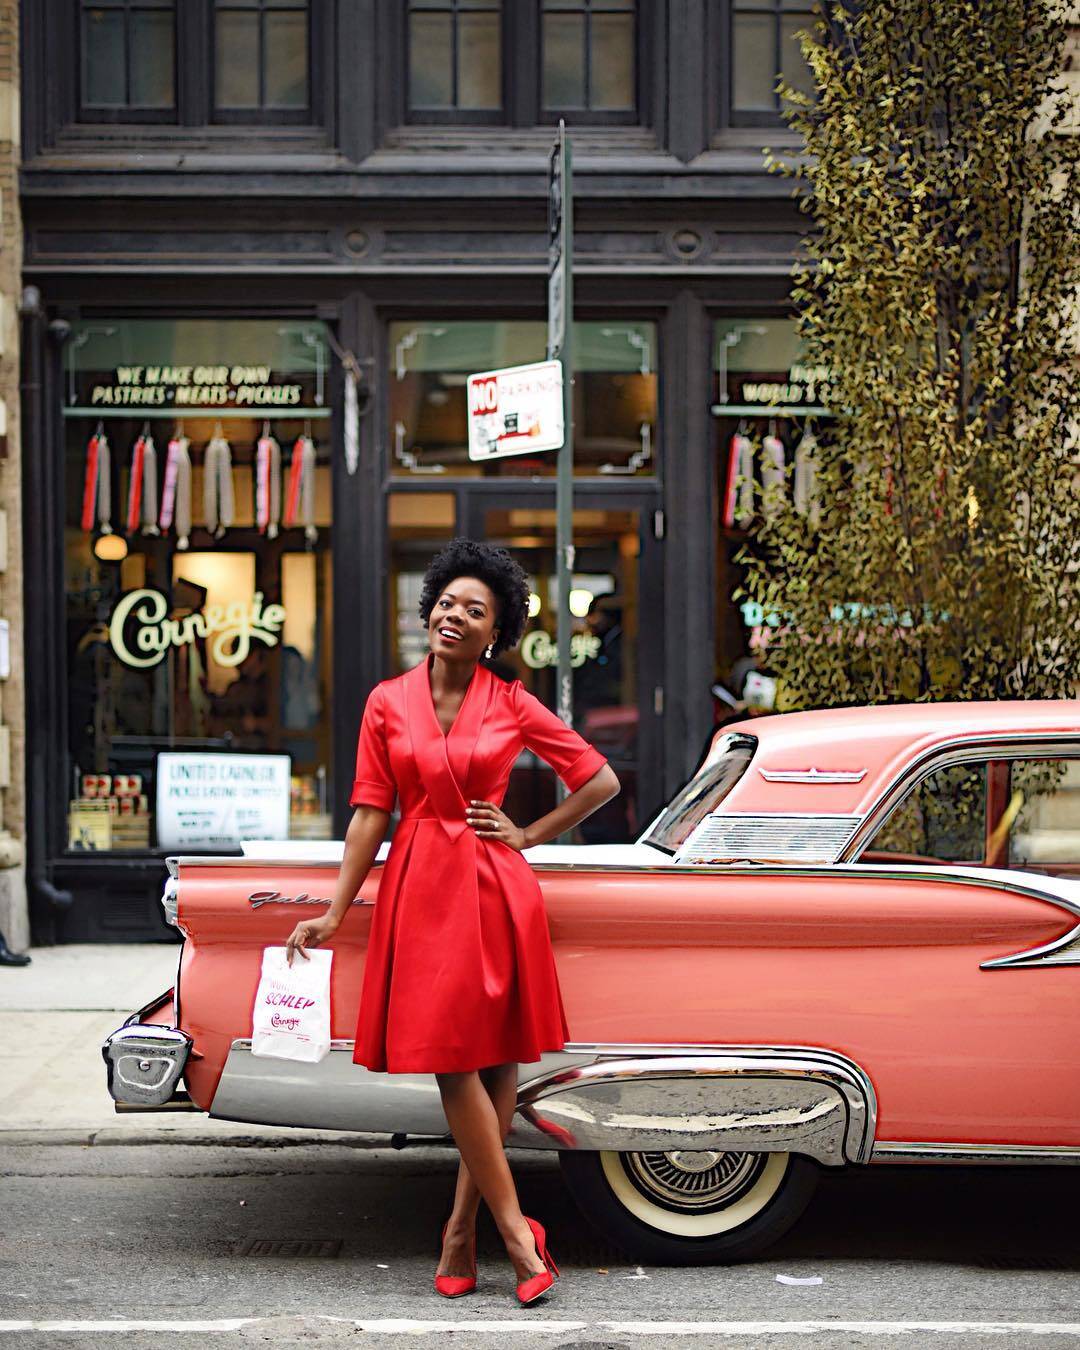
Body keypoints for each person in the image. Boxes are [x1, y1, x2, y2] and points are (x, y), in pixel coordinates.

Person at [283, 537, 620, 1305]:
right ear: (427, 611)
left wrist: (529, 835)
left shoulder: (511, 702)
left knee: (492, 1065)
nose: (454, 616)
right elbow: (372, 811)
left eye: (475, 609)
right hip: (420, 890)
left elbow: (595, 779)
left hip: (495, 890)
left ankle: (464, 1231)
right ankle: (513, 1236)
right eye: (445, 602)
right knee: (453, 1060)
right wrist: (336, 909)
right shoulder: (385, 699)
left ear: (495, 631)